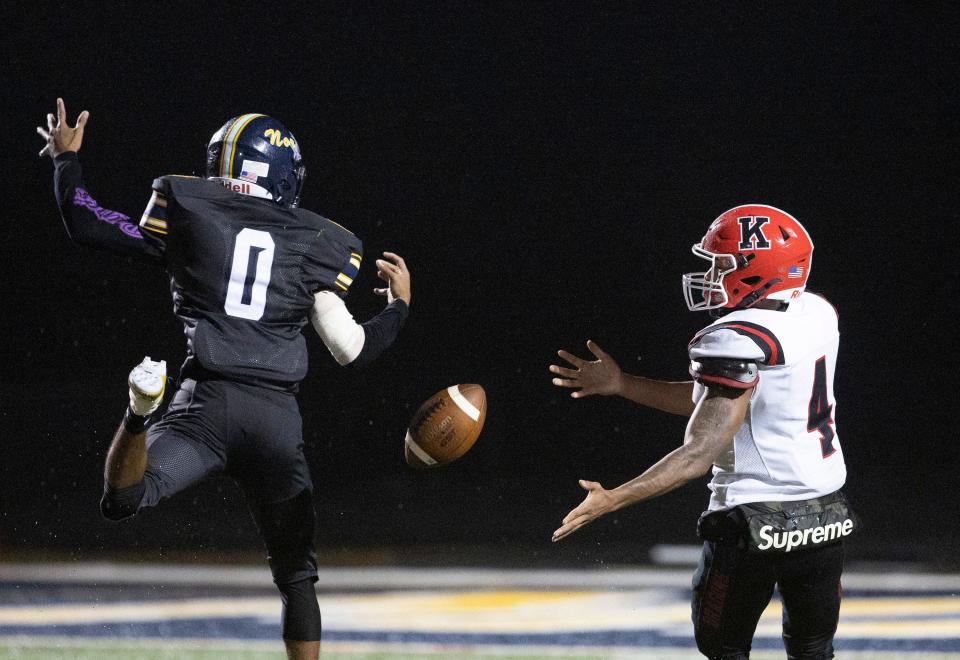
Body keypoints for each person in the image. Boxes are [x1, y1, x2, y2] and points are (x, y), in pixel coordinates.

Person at [37, 99, 411, 660]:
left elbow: (88, 224)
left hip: (204, 404)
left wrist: (67, 162)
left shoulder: (189, 205)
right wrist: (399, 308)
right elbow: (350, 350)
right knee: (297, 579)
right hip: (274, 421)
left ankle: (138, 411)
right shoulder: (318, 241)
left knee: (122, 501)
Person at [549, 204, 855, 660]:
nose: (711, 273)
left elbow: (700, 450)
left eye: (723, 263)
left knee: (723, 650)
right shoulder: (816, 313)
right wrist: (622, 384)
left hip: (754, 519)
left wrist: (614, 497)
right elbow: (728, 401)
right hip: (828, 512)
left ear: (757, 268)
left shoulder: (733, 336)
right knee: (813, 650)